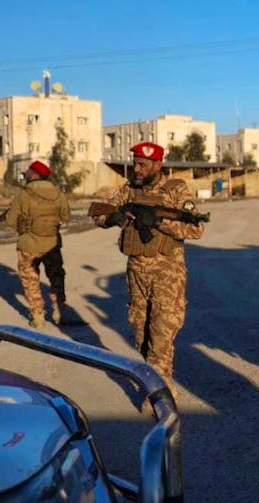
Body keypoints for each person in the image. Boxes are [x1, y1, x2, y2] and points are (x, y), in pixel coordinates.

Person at [94, 142, 204, 401]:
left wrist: (160, 222)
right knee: (140, 332)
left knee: (162, 332)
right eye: (135, 163)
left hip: (167, 272)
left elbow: (196, 228)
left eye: (143, 164)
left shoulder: (176, 190)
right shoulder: (129, 189)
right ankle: (158, 378)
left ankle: (160, 392)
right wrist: (113, 218)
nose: (137, 168)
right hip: (136, 271)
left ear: (158, 164)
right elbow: (100, 212)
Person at [5, 160, 75, 328]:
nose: (26, 173)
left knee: (31, 280)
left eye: (28, 171)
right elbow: (66, 218)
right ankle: (59, 312)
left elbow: (10, 221)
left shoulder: (23, 195)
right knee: (56, 278)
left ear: (35, 175)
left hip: (29, 245)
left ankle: (37, 317)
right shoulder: (58, 193)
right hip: (52, 245)